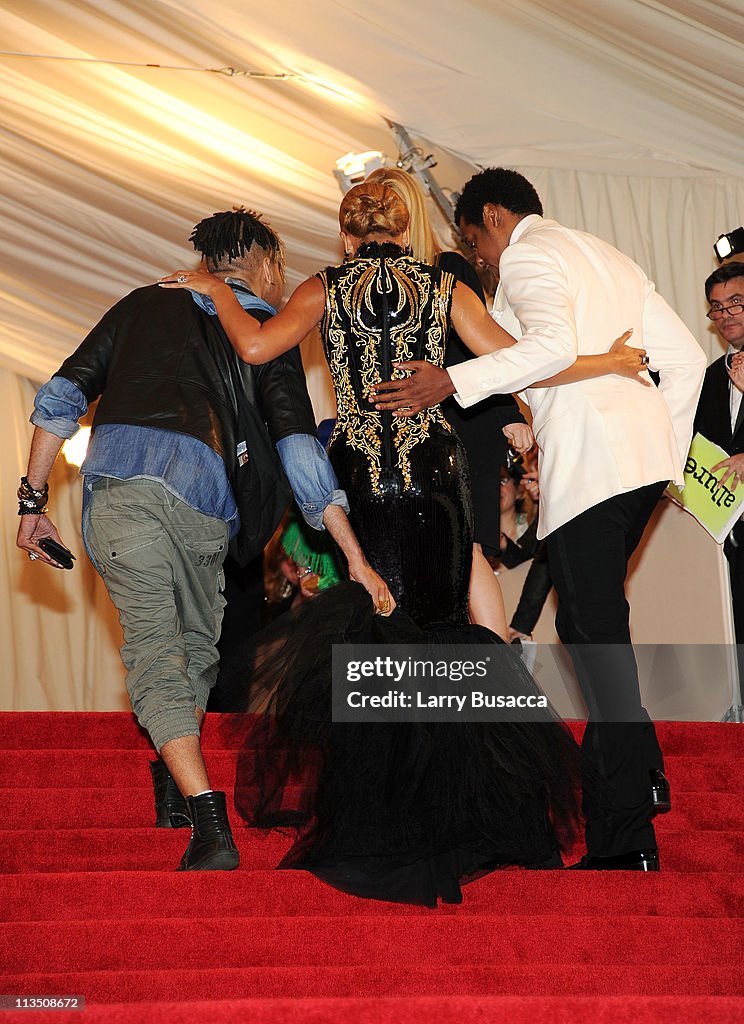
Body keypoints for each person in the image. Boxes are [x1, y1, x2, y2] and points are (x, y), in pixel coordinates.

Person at [160, 182, 659, 903]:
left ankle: (390, 821)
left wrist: (218, 288)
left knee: (384, 639)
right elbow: (523, 363)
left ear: (343, 233)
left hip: (367, 477)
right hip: (436, 477)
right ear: (407, 222)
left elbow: (257, 343)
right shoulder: (443, 282)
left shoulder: (323, 286)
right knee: (448, 633)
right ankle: (471, 819)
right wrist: (603, 363)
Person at [16, 208, 392, 873]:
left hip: (124, 490)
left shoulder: (139, 306)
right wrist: (353, 555)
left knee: (179, 652)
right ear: (268, 265)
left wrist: (32, 501)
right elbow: (302, 454)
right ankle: (209, 819)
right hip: (203, 502)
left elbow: (60, 395)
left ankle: (174, 788)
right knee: (179, 652)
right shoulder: (268, 336)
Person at [370, 167, 707, 871]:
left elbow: (550, 349)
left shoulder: (527, 254)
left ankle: (627, 827)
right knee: (600, 628)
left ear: (493, 217)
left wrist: (450, 381)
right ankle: (639, 784)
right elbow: (689, 362)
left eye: (473, 241)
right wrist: (660, 454)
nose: (482, 261)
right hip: (640, 464)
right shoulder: (608, 253)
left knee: (593, 636)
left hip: (594, 466)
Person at [366, 166, 531, 637]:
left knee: (469, 545)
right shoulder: (359, 287)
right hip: (402, 433)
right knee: (422, 550)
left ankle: (500, 659)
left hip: (462, 424)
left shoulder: (447, 268)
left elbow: (482, 349)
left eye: (388, 204)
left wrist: (507, 414)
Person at [695, 262, 744, 647]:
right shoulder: (708, 376)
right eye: (717, 306)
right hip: (725, 537)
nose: (725, 314)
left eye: (736, 302)